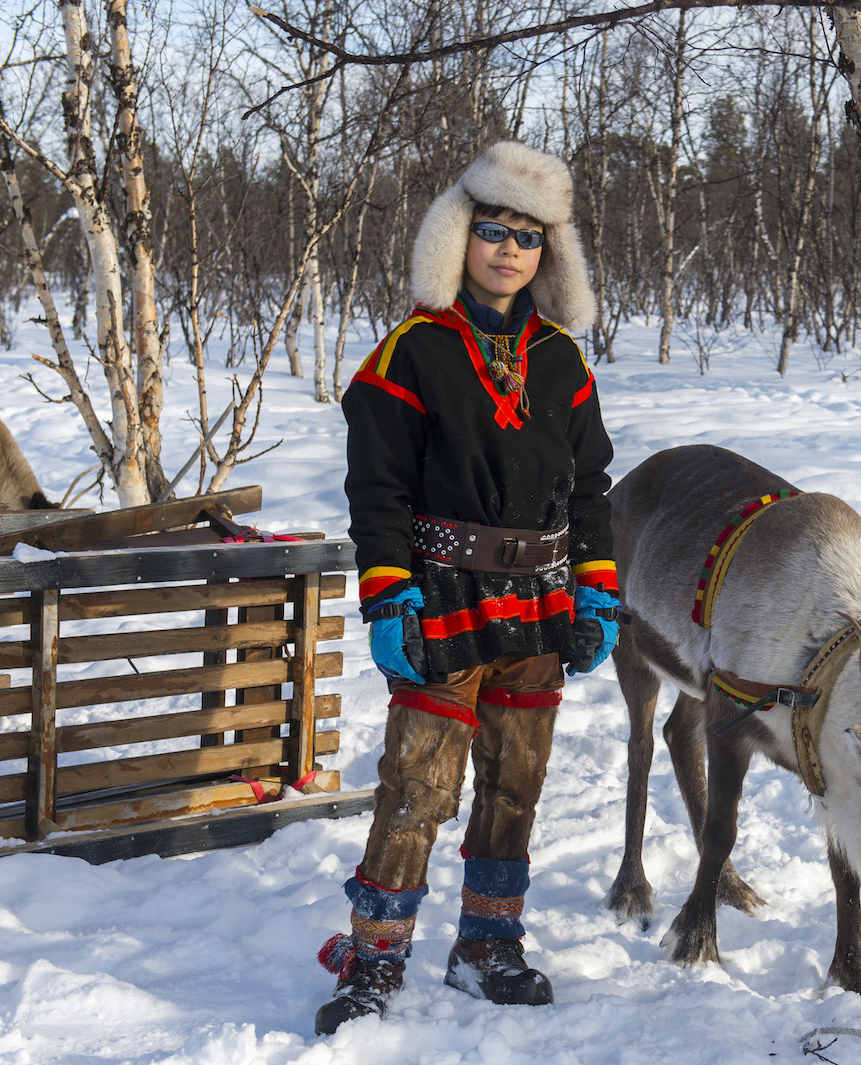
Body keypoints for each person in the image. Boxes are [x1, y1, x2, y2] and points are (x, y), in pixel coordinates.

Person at [316, 141, 620, 1034]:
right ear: (461, 237)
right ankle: (375, 959)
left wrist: (596, 592)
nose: (509, 252)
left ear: (548, 254)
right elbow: (377, 491)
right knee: (418, 784)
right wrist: (388, 595)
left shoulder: (562, 357)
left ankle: (487, 945)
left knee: (515, 782)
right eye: (494, 232)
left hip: (540, 608)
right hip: (441, 599)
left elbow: (593, 485)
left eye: (528, 239)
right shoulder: (409, 353)